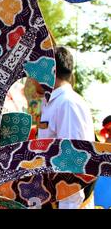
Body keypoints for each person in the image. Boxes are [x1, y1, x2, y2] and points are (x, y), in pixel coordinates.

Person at [37, 47, 95, 209]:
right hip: (53, 199)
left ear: (50, 69)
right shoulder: (52, 103)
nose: (33, 76)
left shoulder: (68, 103)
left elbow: (72, 164)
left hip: (69, 203)